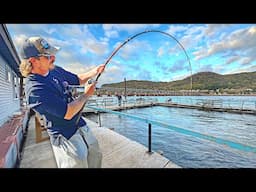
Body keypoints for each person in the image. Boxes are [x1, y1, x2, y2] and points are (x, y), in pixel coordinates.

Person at [19, 36, 105, 168]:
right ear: (33, 61)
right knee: (78, 161)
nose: (53, 58)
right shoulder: (34, 89)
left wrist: (95, 71)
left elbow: (77, 79)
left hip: (79, 124)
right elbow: (68, 112)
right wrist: (86, 94)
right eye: (47, 56)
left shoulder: (54, 70)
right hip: (64, 133)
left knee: (95, 153)